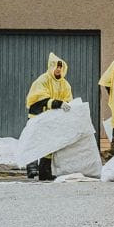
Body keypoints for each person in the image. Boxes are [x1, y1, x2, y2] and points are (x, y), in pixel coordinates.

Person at [23, 52, 73, 181]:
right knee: (35, 141)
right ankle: (32, 168)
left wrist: (66, 107)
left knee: (49, 144)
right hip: (38, 117)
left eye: (60, 67)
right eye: (56, 66)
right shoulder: (42, 80)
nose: (58, 69)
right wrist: (57, 103)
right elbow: (39, 99)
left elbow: (68, 101)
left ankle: (44, 172)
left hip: (52, 119)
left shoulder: (65, 84)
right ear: (51, 67)